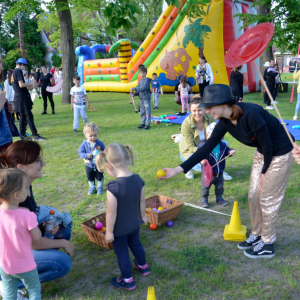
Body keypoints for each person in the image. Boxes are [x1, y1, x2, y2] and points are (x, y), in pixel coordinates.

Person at [161, 84, 295, 259]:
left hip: (279, 153)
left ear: (223, 103)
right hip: (263, 152)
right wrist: (177, 170)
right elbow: (205, 149)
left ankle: (267, 243)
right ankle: (257, 234)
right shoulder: (224, 123)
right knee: (254, 195)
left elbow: (269, 146)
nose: (207, 111)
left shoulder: (251, 114)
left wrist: (264, 171)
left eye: (209, 107)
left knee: (267, 198)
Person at [0, 141, 74, 298]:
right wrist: (63, 244)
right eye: (38, 160)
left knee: (63, 232)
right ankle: (14, 284)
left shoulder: (21, 187)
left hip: (14, 248)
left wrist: (44, 227)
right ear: (21, 167)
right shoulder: (17, 198)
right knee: (62, 263)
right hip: (8, 257)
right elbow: (34, 243)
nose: (44, 163)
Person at [95, 143, 150, 290]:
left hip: (120, 229)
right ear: (127, 158)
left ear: (108, 165)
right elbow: (142, 200)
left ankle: (127, 280)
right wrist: (143, 216)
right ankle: (143, 266)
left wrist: (110, 232)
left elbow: (111, 212)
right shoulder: (138, 179)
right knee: (136, 244)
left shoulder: (113, 187)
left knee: (122, 252)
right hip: (135, 223)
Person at [0, 169, 42, 300]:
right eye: (26, 187)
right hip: (25, 265)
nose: (28, 190)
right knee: (34, 290)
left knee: (9, 293)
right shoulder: (27, 216)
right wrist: (33, 221)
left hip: (5, 265)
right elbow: (37, 237)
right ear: (16, 195)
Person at [179, 96, 232, 181]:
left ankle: (220, 171)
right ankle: (189, 167)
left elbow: (218, 133)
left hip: (207, 146)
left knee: (224, 144)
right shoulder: (186, 124)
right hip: (190, 150)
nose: (197, 113)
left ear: (204, 109)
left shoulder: (210, 117)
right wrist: (204, 155)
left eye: (199, 110)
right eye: (194, 111)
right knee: (202, 162)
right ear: (190, 111)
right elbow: (191, 147)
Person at [200, 122, 235, 208]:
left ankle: (219, 198)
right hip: (207, 174)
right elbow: (199, 155)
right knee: (205, 188)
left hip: (219, 173)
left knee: (220, 187)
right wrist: (201, 160)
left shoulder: (223, 145)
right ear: (207, 136)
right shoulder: (205, 147)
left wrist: (230, 152)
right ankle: (204, 199)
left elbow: (227, 151)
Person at [12, 58, 46, 141]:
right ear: (22, 64)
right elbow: (21, 85)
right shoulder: (18, 71)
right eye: (25, 66)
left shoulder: (13, 72)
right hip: (22, 98)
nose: (25, 68)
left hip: (18, 97)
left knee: (22, 117)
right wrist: (32, 83)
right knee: (29, 116)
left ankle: (22, 136)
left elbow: (22, 87)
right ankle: (35, 135)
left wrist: (34, 86)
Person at [78, 123, 105, 195]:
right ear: (85, 135)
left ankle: (99, 187)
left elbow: (104, 151)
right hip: (89, 165)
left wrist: (102, 153)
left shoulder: (99, 143)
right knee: (90, 176)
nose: (93, 137)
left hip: (98, 164)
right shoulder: (84, 144)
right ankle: (92, 187)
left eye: (95, 135)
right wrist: (87, 155)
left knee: (99, 176)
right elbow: (80, 152)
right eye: (91, 136)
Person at [131, 65, 152, 130]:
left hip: (146, 99)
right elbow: (139, 89)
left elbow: (144, 88)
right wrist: (134, 94)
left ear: (145, 73)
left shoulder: (147, 80)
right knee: (142, 112)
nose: (140, 74)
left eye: (141, 73)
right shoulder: (140, 81)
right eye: (139, 73)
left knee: (147, 112)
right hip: (141, 99)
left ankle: (148, 124)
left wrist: (135, 89)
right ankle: (143, 123)